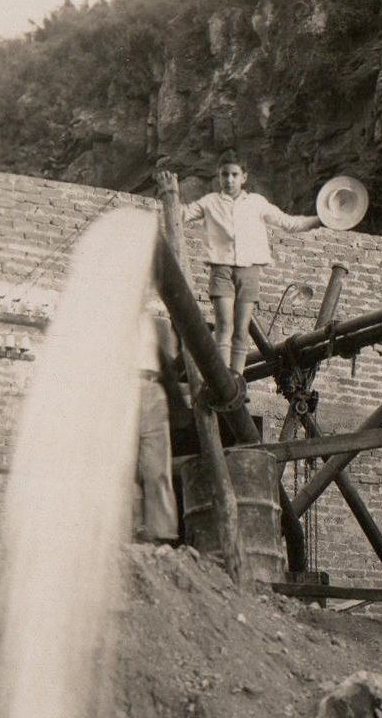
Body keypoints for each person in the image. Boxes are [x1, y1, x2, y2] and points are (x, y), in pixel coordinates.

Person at [169, 155, 322, 376]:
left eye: (234, 175)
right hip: (221, 270)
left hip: (248, 272)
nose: (229, 180)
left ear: (244, 177)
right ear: (219, 176)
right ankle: (222, 377)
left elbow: (289, 223)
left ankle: (237, 377)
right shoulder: (210, 202)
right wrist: (170, 194)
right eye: (225, 175)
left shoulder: (257, 203)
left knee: (241, 330)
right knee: (224, 326)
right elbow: (180, 214)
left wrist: (320, 219)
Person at [134, 302, 180, 544]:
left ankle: (162, 533)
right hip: (123, 387)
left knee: (157, 465)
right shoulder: (112, 321)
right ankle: (128, 529)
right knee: (125, 464)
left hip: (153, 389)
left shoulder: (158, 324)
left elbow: (170, 363)